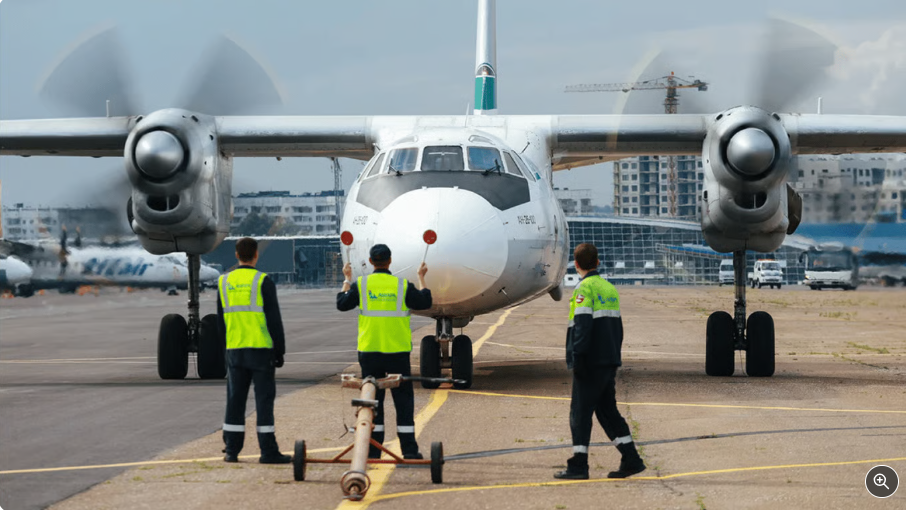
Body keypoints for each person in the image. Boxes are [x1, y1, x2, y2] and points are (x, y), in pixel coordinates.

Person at [554, 243, 645, 480]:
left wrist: (577, 357)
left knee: (580, 413)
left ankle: (579, 465)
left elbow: (582, 326)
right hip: (608, 359)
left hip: (590, 361)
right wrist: (614, 356)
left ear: (576, 264)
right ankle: (632, 459)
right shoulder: (609, 288)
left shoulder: (584, 289)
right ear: (597, 262)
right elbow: (617, 327)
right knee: (607, 412)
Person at [336, 244, 432, 459]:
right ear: (390, 261)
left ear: (371, 262)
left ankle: (373, 450)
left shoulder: (362, 285)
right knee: (403, 402)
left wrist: (347, 279)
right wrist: (421, 277)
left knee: (372, 402)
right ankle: (409, 451)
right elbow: (425, 302)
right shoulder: (402, 285)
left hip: (370, 353)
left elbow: (341, 304)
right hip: (397, 352)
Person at [218, 237, 291, 464]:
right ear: (256, 254)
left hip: (235, 349)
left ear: (237, 255)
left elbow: (221, 321)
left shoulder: (224, 281)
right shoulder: (262, 281)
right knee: (263, 401)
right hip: (260, 350)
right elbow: (274, 320)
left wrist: (225, 350)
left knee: (235, 400)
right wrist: (280, 350)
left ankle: (231, 450)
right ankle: (268, 451)